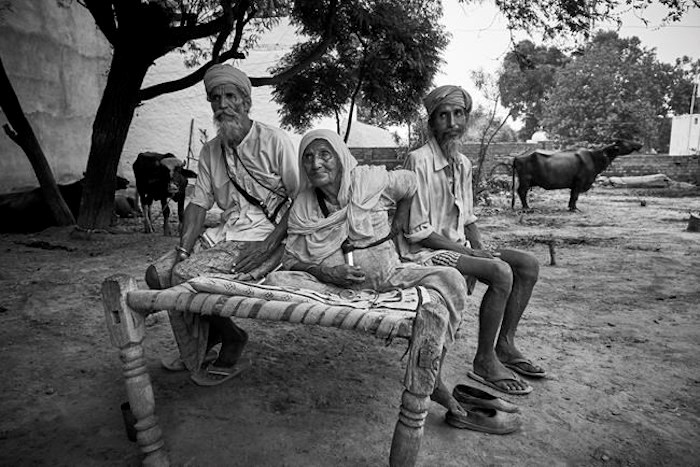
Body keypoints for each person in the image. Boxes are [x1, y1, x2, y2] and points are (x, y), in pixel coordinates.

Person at [263, 128, 475, 420]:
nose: (315, 164)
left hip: (390, 276)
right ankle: (354, 299)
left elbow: (411, 183)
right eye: (308, 157)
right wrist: (325, 271)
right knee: (277, 280)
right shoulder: (303, 205)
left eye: (325, 155)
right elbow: (291, 260)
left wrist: (399, 220)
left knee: (451, 280)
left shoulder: (370, 181)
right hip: (335, 286)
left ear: (340, 157)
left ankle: (434, 373)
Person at [401, 85, 545, 396]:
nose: (452, 123)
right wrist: (479, 258)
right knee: (500, 272)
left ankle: (505, 345)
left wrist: (481, 249)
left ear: (466, 118)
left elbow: (467, 218)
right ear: (432, 122)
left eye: (458, 114)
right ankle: (484, 360)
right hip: (423, 254)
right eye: (443, 116)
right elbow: (418, 233)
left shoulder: (463, 164)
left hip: (457, 247)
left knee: (527, 265)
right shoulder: (418, 161)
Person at [166, 63, 299, 386]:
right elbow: (199, 203)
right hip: (223, 234)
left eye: (230, 96)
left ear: (246, 101)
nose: (222, 105)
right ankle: (208, 338)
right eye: (215, 98)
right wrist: (184, 247)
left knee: (182, 275)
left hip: (264, 238)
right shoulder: (211, 150)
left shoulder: (275, 141)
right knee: (158, 275)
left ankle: (233, 337)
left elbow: (302, 201)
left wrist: (271, 246)